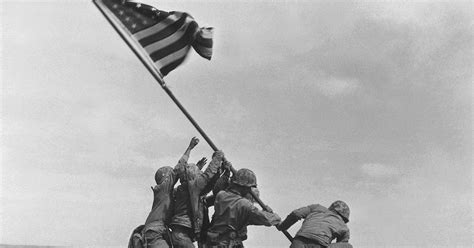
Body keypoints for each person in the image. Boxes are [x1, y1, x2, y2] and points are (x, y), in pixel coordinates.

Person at [141, 137, 200, 248]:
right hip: (154, 232)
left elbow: (185, 188)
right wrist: (190, 148)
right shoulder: (163, 188)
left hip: (159, 231)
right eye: (169, 174)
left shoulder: (168, 193)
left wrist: (195, 170)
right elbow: (178, 168)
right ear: (165, 177)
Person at [205, 168, 281, 248]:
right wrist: (275, 217)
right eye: (250, 188)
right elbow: (266, 219)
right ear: (245, 187)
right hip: (227, 243)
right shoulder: (244, 204)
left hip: (212, 241)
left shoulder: (221, 195)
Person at [169, 149, 227, 248]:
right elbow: (207, 176)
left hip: (181, 233)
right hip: (181, 234)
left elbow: (208, 186)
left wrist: (222, 172)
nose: (200, 175)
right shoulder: (191, 186)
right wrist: (217, 157)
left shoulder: (187, 190)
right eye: (198, 174)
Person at [277, 200, 351, 248]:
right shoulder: (344, 227)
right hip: (320, 245)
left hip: (299, 241)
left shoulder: (316, 208)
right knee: (348, 246)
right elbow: (342, 245)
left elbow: (296, 214)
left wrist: (282, 226)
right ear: (344, 217)